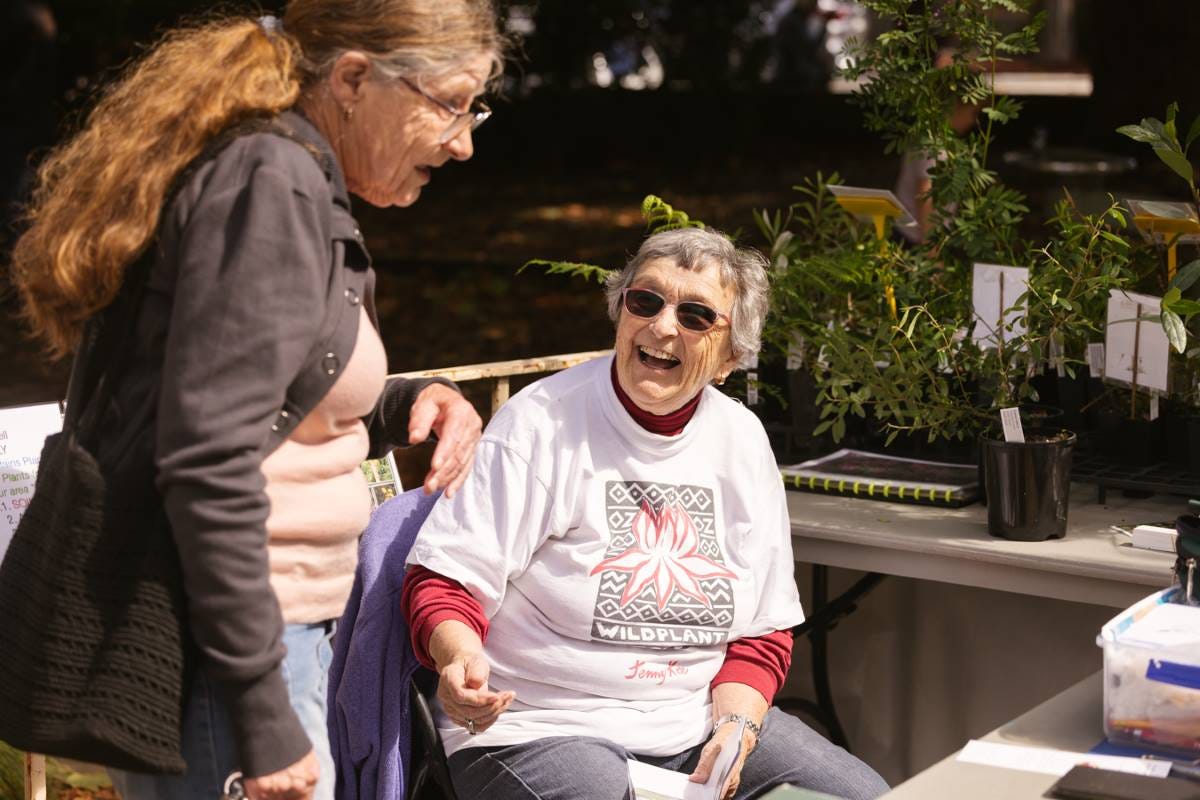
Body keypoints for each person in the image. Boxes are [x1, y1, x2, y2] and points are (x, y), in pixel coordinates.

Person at [7, 2, 505, 798]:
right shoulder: (270, 184)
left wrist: (406, 401)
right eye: (449, 102)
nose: (463, 139)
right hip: (231, 657)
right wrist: (262, 715)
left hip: (257, 646)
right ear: (351, 78)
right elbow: (208, 456)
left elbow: (269, 390)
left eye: (473, 107)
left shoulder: (288, 176)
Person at [401, 227, 889, 800]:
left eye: (696, 315)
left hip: (694, 726)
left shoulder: (743, 440)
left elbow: (762, 633)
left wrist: (736, 728)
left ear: (730, 358)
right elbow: (445, 580)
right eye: (646, 300)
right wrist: (459, 659)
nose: (662, 326)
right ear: (620, 312)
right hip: (536, 728)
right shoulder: (541, 422)